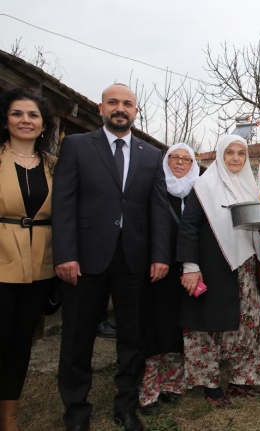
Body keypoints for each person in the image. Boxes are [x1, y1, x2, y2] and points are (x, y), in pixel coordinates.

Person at [53, 83, 170, 431]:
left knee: (132, 336)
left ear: (136, 111)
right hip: (84, 259)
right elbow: (64, 204)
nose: (121, 108)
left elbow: (159, 210)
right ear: (102, 107)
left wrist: (160, 255)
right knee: (77, 336)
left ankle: (126, 406)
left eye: (128, 104)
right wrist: (65, 253)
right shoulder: (76, 146)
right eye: (113, 102)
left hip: (133, 260)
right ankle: (76, 411)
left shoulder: (151, 155)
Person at [177, 134, 260, 407]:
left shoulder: (250, 186)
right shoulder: (203, 187)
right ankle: (210, 385)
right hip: (213, 267)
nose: (236, 158)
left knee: (247, 325)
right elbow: (189, 226)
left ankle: (242, 379)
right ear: (220, 155)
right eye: (230, 153)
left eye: (241, 153)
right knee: (208, 327)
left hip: (245, 268)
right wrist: (190, 266)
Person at [0, 88, 57, 431]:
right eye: (18, 113)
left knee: (21, 343)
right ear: (6, 119)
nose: (25, 120)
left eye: (33, 115)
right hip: (2, 259)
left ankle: (8, 418)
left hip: (40, 264)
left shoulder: (53, 165)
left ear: (43, 123)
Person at [138, 143, 199, 415]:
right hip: (158, 267)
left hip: (187, 270)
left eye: (186, 159)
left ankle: (173, 384)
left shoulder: (199, 191)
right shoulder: (155, 188)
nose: (180, 163)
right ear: (166, 160)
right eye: (174, 157)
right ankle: (149, 390)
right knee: (154, 327)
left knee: (179, 327)